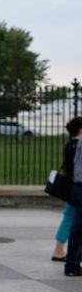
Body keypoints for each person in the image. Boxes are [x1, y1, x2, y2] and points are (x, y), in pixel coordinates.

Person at [62, 116, 82, 276]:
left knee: (76, 225)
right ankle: (72, 264)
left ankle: (73, 261)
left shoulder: (70, 145)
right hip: (80, 187)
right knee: (76, 226)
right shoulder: (79, 145)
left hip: (74, 188)